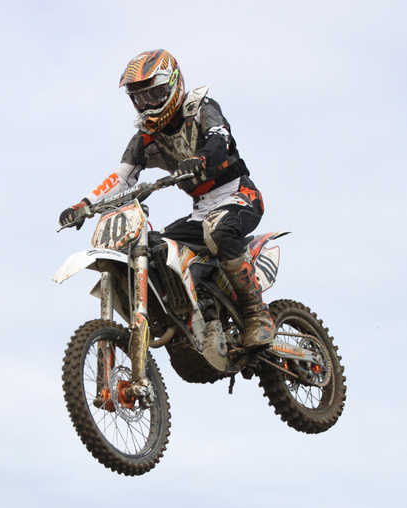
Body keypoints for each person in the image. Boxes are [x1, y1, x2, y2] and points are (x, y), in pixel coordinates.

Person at [58, 49, 275, 347]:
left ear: (174, 84)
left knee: (221, 232)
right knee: (158, 248)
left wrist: (200, 158)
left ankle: (257, 314)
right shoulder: (146, 135)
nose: (147, 104)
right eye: (140, 98)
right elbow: (122, 177)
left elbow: (220, 137)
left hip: (239, 196)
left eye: (155, 94)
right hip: (201, 213)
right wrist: (85, 205)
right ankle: (192, 317)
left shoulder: (199, 107)